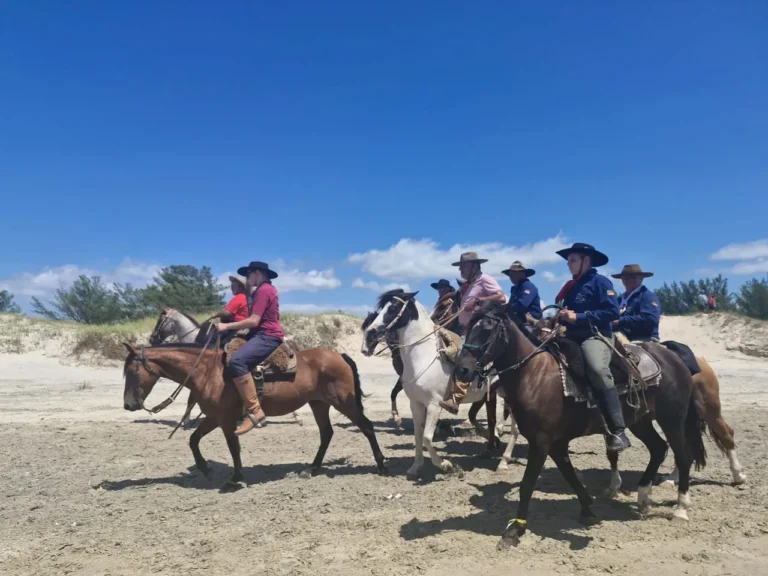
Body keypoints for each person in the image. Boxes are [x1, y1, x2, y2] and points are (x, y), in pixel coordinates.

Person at [554, 242, 630, 453]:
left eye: (573, 260)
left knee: (597, 368)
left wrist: (578, 316)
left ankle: (617, 430)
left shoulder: (600, 282)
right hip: (571, 335)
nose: (568, 264)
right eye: (568, 260)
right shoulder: (572, 286)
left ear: (586, 261)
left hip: (595, 335)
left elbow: (612, 312)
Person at [217, 261, 284, 435]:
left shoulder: (264, 290)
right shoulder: (263, 290)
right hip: (258, 334)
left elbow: (254, 321)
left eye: (248, 275)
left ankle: (255, 410)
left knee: (237, 361)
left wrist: (226, 326)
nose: (247, 279)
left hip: (267, 335)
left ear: (257, 273)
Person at [439, 252, 506, 414]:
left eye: (463, 266)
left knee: (462, 354)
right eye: (460, 267)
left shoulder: (485, 279)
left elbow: (501, 297)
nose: (460, 270)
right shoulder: (471, 283)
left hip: (478, 330)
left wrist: (477, 301)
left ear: (474, 266)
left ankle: (456, 397)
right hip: (466, 327)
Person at [611, 264, 661, 342]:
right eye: (626, 277)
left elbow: (651, 319)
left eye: (634, 277)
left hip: (643, 338)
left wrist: (620, 321)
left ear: (641, 279)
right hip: (618, 335)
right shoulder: (619, 299)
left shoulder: (648, 296)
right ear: (622, 279)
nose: (629, 280)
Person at [501, 261, 542, 327]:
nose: (510, 276)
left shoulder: (528, 286)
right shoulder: (515, 288)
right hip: (517, 319)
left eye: (513, 273)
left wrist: (506, 307)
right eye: (510, 274)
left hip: (531, 321)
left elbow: (522, 305)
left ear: (522, 273)